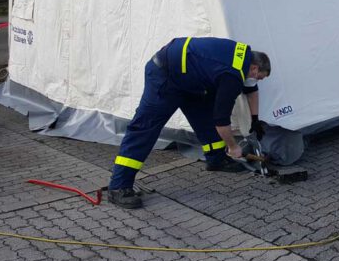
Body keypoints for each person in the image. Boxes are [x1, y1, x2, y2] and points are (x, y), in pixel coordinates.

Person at [108, 37, 271, 209]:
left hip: (190, 80)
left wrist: (255, 119)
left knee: (205, 119)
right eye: (259, 77)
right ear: (254, 68)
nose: (257, 81)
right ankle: (119, 186)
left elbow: (251, 90)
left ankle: (216, 159)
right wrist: (233, 147)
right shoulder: (233, 75)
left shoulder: (243, 58)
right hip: (165, 75)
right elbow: (222, 122)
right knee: (145, 128)